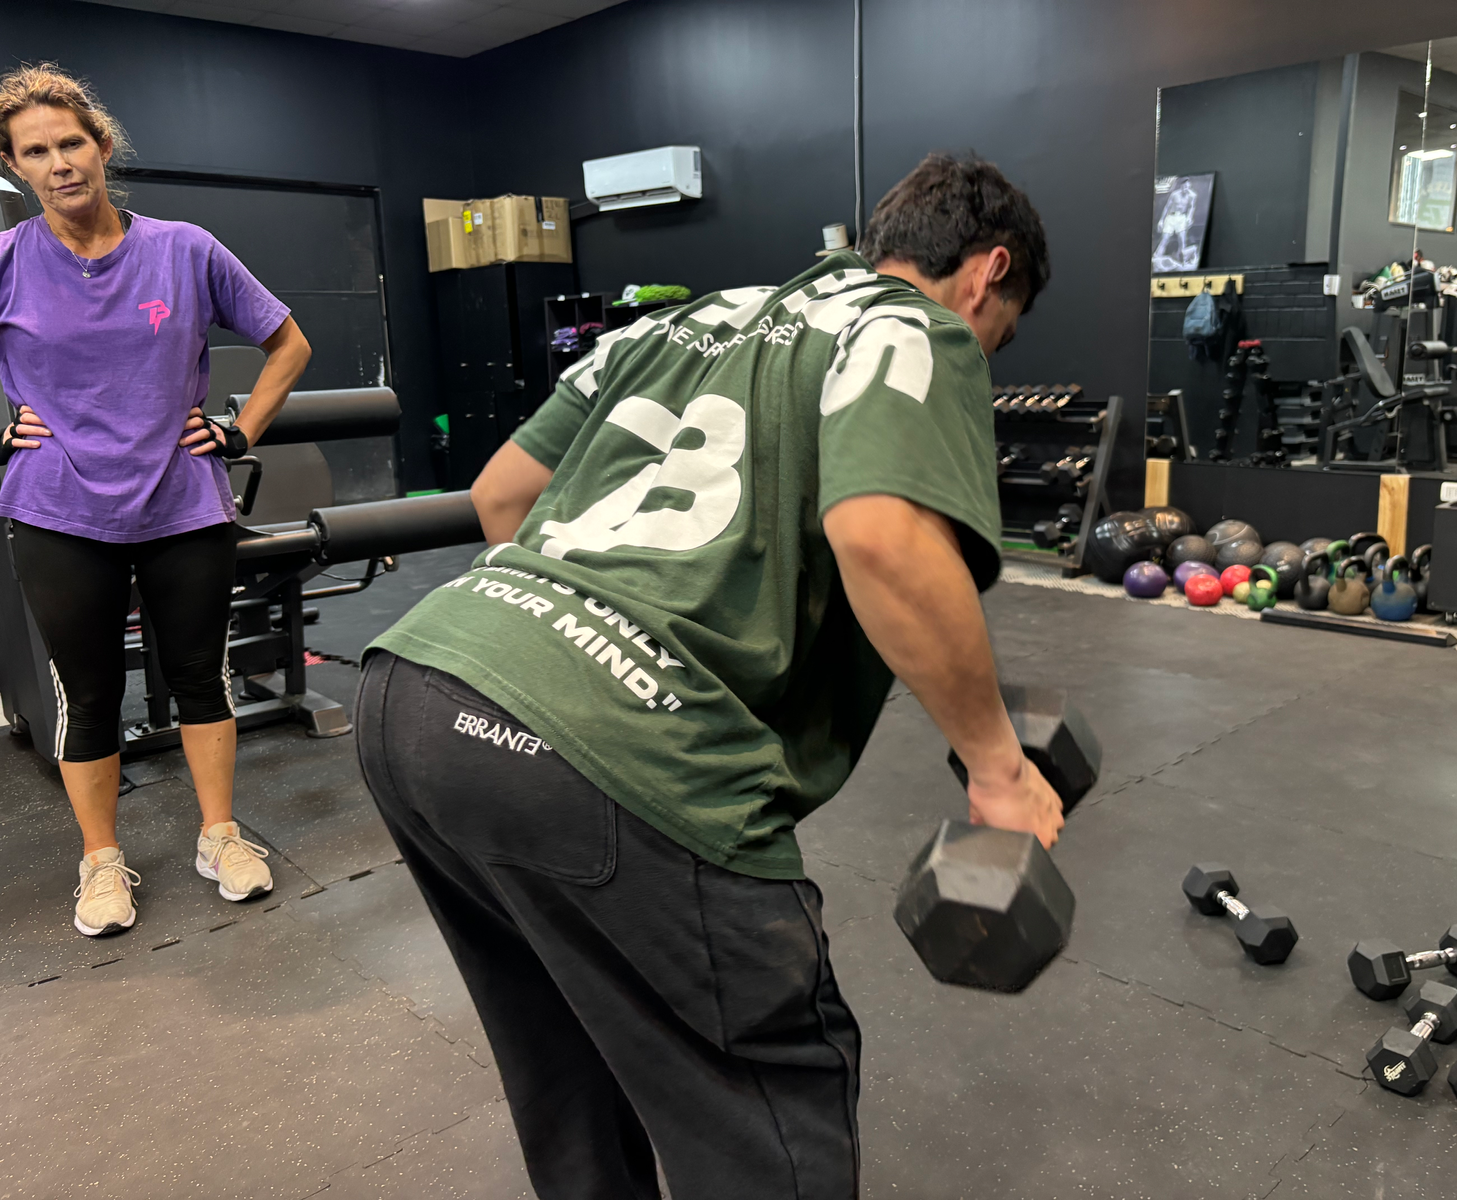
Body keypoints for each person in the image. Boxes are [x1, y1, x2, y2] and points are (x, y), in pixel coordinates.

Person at [356, 151, 1057, 1198]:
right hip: (622, 753)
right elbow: (882, 540)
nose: (989, 349)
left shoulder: (694, 318)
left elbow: (503, 495)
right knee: (768, 1102)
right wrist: (997, 770)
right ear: (984, 272)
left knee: (568, 1062)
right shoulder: (918, 329)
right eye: (1003, 325)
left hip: (420, 689)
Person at [0, 65, 311, 936]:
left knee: (198, 675)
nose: (60, 162)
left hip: (184, 502)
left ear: (101, 146)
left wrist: (240, 432)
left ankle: (220, 835)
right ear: (16, 167)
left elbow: (288, 344)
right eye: (36, 152)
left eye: (71, 142)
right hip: (58, 509)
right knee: (88, 693)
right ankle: (101, 861)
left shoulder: (185, 248)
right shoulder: (9, 262)